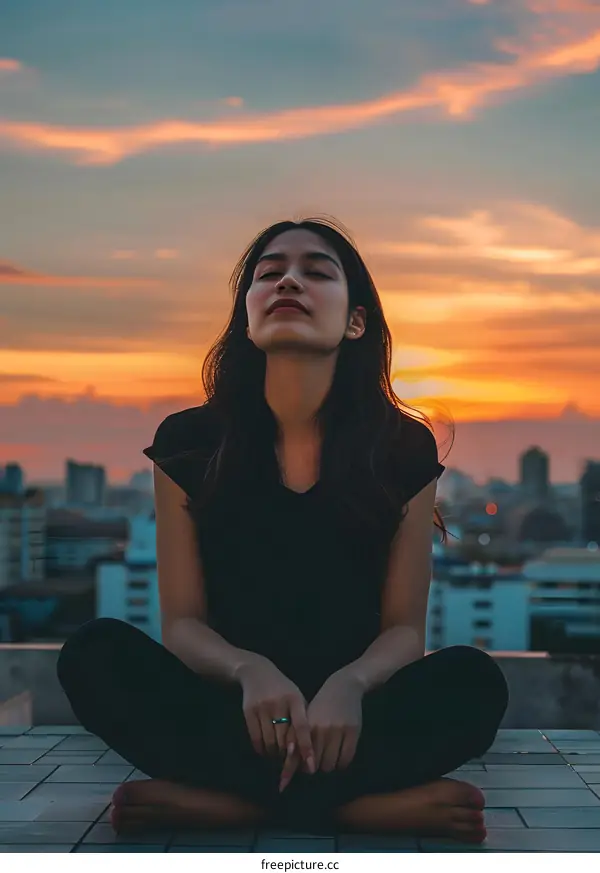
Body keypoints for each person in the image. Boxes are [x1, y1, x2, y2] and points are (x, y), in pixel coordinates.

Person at [57, 216, 508, 842]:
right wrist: (249, 672)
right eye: (269, 273)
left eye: (316, 272)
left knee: (474, 682)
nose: (288, 281)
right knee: (94, 653)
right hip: (229, 711)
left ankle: (227, 806)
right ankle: (357, 810)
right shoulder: (190, 442)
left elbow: (404, 632)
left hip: (354, 718)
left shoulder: (400, 448)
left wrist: (349, 685)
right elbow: (183, 624)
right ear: (248, 316)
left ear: (356, 321)